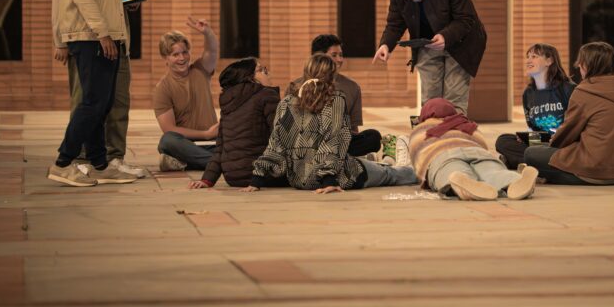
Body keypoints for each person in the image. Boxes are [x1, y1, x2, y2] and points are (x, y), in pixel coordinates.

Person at [47, 0, 138, 187]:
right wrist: (103, 33)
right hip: (90, 38)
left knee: (102, 102)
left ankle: (100, 164)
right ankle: (63, 162)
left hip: (102, 36)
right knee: (92, 102)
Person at [245, 54, 418, 193]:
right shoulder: (335, 101)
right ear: (331, 77)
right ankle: (417, 170)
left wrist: (257, 179)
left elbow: (276, 143)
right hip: (342, 176)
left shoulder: (287, 103)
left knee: (378, 165)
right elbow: (334, 140)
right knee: (390, 175)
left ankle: (390, 159)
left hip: (300, 180)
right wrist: (329, 180)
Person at [373, 0, 486, 115]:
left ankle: (453, 136)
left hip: (460, 43)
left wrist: (445, 36)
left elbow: (466, 18)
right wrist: (386, 44)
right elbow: (395, 22)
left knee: (453, 100)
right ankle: (431, 136)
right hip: (427, 43)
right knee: (430, 103)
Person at [523, 42, 614, 185]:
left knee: (531, 153)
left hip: (597, 171)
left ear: (589, 65)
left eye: (581, 62)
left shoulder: (584, 91)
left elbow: (566, 135)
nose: (578, 66)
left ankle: (543, 173)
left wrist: (551, 144)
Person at [410, 98, 538, 201]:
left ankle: (464, 184)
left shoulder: (421, 129)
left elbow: (417, 154)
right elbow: (482, 143)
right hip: (477, 151)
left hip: (444, 156)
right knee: (492, 171)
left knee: (452, 171)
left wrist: (423, 171)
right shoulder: (466, 124)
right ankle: (513, 180)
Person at [189, 58, 280, 189]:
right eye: (261, 70)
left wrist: (207, 180)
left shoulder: (228, 102)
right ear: (250, 78)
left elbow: (220, 146)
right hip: (263, 175)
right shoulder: (267, 95)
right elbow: (279, 137)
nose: (267, 73)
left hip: (234, 177)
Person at [293, 35, 381, 158]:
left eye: (341, 55)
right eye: (334, 55)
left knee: (373, 137)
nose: (340, 60)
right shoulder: (296, 87)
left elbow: (353, 129)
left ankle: (349, 158)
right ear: (319, 57)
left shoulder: (352, 87)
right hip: (306, 146)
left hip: (339, 144)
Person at [153, 18, 220, 171]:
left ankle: (187, 162)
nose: (182, 58)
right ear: (166, 58)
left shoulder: (200, 70)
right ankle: (220, 163)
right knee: (167, 141)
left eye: (184, 52)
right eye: (175, 55)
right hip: (187, 145)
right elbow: (169, 128)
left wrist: (207, 33)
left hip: (214, 144)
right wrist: (205, 134)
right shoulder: (162, 88)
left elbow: (212, 51)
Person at [495, 44, 576, 170]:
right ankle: (539, 164)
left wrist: (560, 136)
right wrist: (526, 137)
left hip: (562, 142)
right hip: (541, 141)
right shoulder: (528, 93)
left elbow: (576, 123)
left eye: (534, 56)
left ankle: (524, 162)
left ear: (549, 61)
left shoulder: (567, 89)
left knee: (537, 152)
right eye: (527, 57)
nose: (528, 60)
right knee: (503, 141)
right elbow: (532, 126)